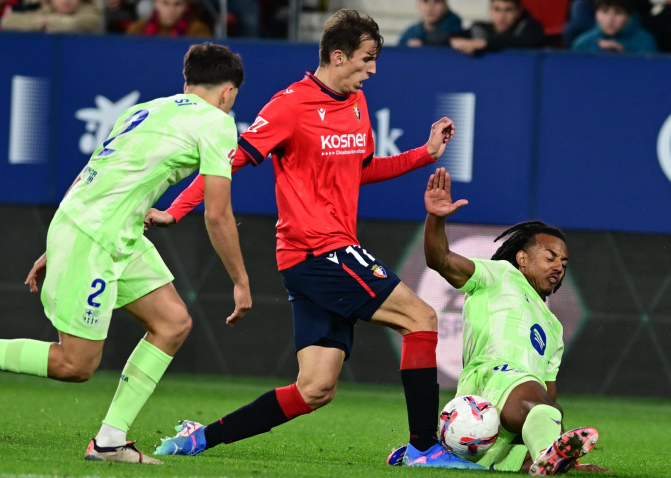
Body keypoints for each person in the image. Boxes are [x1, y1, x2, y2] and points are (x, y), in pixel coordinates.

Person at [146, 9, 479, 470]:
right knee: (421, 318)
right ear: (338, 56)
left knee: (315, 389)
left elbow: (360, 169)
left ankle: (198, 439)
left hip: (325, 254)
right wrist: (175, 210)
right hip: (317, 251)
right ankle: (424, 448)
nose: (372, 70)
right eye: (366, 59)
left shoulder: (357, 103)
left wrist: (425, 154)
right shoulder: (289, 106)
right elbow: (227, 164)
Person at [0, 42, 252, 465]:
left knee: (172, 322)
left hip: (109, 230)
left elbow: (91, 173)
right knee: (76, 364)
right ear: (228, 92)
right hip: (95, 236)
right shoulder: (218, 122)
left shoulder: (144, 110)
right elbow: (217, 214)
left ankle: (110, 441)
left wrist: (57, 241)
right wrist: (240, 280)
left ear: (187, 82)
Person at [409, 167, 609, 474]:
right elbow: (440, 259)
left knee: (547, 412)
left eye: (564, 262)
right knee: (536, 400)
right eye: (550, 257)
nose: (558, 266)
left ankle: (541, 459)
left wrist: (556, 431)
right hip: (487, 384)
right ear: (522, 259)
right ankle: (549, 456)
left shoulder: (554, 327)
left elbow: (547, 394)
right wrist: (436, 217)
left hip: (512, 413)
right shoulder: (499, 274)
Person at [449, 0, 544, 55]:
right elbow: (446, 36)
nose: (501, 17)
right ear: (489, 10)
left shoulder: (530, 27)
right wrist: (453, 41)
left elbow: (528, 41)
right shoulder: (480, 29)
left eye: (508, 10)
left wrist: (484, 44)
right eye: (497, 9)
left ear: (519, 11)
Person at [572, 0, 658, 53]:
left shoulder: (645, 42)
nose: (610, 19)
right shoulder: (583, 43)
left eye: (618, 12)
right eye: (605, 12)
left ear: (629, 16)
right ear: (596, 15)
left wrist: (623, 56)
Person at [0, 0, 103, 33]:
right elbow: (7, 21)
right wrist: (39, 25)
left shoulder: (90, 11)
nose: (67, 1)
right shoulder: (48, 10)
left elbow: (76, 24)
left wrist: (46, 22)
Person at [397, 0, 463, 48]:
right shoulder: (410, 33)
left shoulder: (454, 29)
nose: (430, 8)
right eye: (425, 1)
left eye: (437, 2)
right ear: (418, 5)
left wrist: (424, 42)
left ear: (445, 6)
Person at [126, 0, 210, 37]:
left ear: (186, 6)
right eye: (165, 3)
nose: (171, 10)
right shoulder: (138, 29)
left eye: (178, 4)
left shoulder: (199, 31)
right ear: (156, 4)